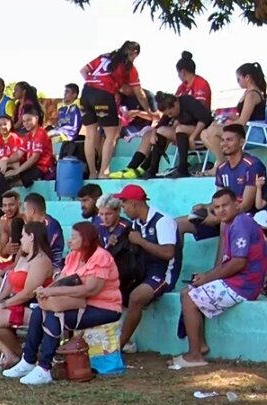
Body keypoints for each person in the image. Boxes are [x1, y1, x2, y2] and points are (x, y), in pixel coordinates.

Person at [3, 222, 123, 385]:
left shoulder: (101, 256)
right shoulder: (74, 256)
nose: (69, 241)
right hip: (78, 303)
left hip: (104, 307)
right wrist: (47, 289)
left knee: (55, 315)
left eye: (74, 237)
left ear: (86, 239)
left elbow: (91, 290)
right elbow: (62, 280)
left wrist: (53, 292)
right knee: (40, 311)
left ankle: (45, 367)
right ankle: (28, 360)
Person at [174, 189, 267, 368]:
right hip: (239, 281)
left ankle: (195, 356)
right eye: (217, 207)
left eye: (225, 205)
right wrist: (206, 277)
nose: (221, 210)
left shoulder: (240, 223)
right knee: (188, 291)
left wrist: (208, 277)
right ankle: (199, 346)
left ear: (237, 204)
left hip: (244, 285)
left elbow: (238, 263)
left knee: (188, 297)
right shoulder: (232, 223)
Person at [113, 184, 180, 353]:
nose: (124, 209)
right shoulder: (135, 224)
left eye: (125, 205)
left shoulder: (162, 221)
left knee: (136, 297)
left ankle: (118, 346)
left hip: (162, 273)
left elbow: (168, 253)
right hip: (142, 270)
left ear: (135, 204)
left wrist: (140, 241)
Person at [0, 222, 54, 373]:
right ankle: (11, 355)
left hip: (33, 307)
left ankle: (23, 356)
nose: (20, 240)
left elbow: (28, 293)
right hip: (16, 302)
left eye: (23, 236)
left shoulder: (41, 260)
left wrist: (4, 305)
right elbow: (10, 283)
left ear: (31, 237)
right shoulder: (24, 258)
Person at [176, 124, 265, 245]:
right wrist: (206, 206)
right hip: (225, 214)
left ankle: (220, 263)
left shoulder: (252, 165)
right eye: (222, 140)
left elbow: (245, 205)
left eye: (229, 140)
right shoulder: (222, 168)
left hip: (248, 217)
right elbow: (219, 200)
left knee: (224, 222)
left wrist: (217, 218)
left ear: (241, 142)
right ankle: (173, 264)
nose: (224, 143)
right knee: (177, 224)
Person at [80, 41, 154, 179]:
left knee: (90, 135)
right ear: (134, 53)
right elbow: (140, 94)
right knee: (111, 135)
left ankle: (92, 173)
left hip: (86, 92)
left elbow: (83, 70)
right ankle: (103, 171)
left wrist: (94, 83)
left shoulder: (104, 56)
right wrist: (148, 111)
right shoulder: (128, 66)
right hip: (103, 95)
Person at [201, 63, 266, 165]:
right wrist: (226, 117)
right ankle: (223, 162)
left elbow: (242, 121)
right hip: (246, 129)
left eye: (239, 79)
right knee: (204, 134)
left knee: (213, 131)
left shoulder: (252, 95)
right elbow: (242, 117)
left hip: (253, 133)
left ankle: (221, 164)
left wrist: (223, 125)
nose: (238, 82)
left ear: (247, 77)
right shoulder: (247, 93)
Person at [153, 92, 213, 178]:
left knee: (180, 128)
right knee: (161, 131)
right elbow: (160, 125)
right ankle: (153, 168)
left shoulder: (188, 102)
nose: (170, 116)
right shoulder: (170, 110)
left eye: (170, 113)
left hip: (204, 132)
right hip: (185, 136)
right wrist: (153, 135)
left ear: (176, 103)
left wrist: (192, 137)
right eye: (167, 114)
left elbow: (205, 118)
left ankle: (183, 166)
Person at [6, 105, 54, 187]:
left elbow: (34, 158)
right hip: (31, 167)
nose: (26, 123)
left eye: (29, 120)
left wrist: (17, 171)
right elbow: (18, 154)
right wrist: (6, 161)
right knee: (4, 176)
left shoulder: (40, 133)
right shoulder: (28, 135)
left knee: (9, 184)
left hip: (42, 168)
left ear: (37, 118)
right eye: (24, 121)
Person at [23, 193, 64, 269]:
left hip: (52, 268)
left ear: (32, 211)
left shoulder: (51, 226)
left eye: (25, 209)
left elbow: (43, 251)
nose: (24, 213)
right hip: (37, 264)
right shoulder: (35, 225)